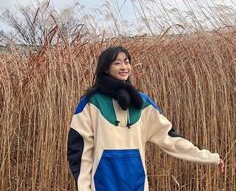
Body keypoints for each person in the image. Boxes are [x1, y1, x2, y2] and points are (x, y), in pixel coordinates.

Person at [67, 46, 224, 191]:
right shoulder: (91, 102)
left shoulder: (141, 103)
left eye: (127, 62)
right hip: (102, 183)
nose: (124, 67)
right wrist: (84, 187)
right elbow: (80, 151)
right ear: (106, 68)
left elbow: (171, 139)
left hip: (137, 183)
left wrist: (211, 158)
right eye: (117, 63)